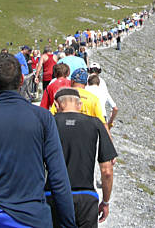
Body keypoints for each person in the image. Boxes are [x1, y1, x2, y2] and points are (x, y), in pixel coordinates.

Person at [0, 53, 76, 228]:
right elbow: (58, 177)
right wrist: (68, 224)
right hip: (34, 217)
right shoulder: (43, 118)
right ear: (21, 81)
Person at [46, 88, 117, 227]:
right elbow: (107, 171)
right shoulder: (96, 124)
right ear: (80, 105)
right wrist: (105, 202)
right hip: (86, 197)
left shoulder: (49, 123)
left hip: (53, 195)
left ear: (56, 104)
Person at [89, 62, 118, 129]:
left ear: (89, 70)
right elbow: (115, 108)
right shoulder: (102, 83)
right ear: (99, 71)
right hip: (101, 116)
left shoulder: (84, 81)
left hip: (87, 115)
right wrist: (110, 122)